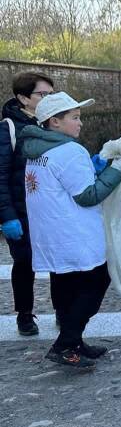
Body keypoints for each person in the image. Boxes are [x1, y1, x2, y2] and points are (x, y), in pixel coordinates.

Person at [21, 92, 121, 368]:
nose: (80, 124)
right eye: (75, 118)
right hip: (75, 233)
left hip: (51, 235)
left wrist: (96, 165)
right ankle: (65, 343)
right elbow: (87, 195)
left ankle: (75, 341)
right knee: (96, 282)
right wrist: (118, 172)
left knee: (64, 285)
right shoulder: (69, 151)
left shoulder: (36, 150)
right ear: (55, 122)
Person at [0, 71, 56, 336]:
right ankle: (24, 315)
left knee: (59, 260)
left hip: (50, 209)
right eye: (42, 94)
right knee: (24, 262)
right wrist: (7, 215)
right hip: (21, 211)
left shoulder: (52, 124)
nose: (48, 98)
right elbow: (0, 176)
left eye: (51, 94)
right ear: (23, 98)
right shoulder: (8, 129)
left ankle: (64, 310)